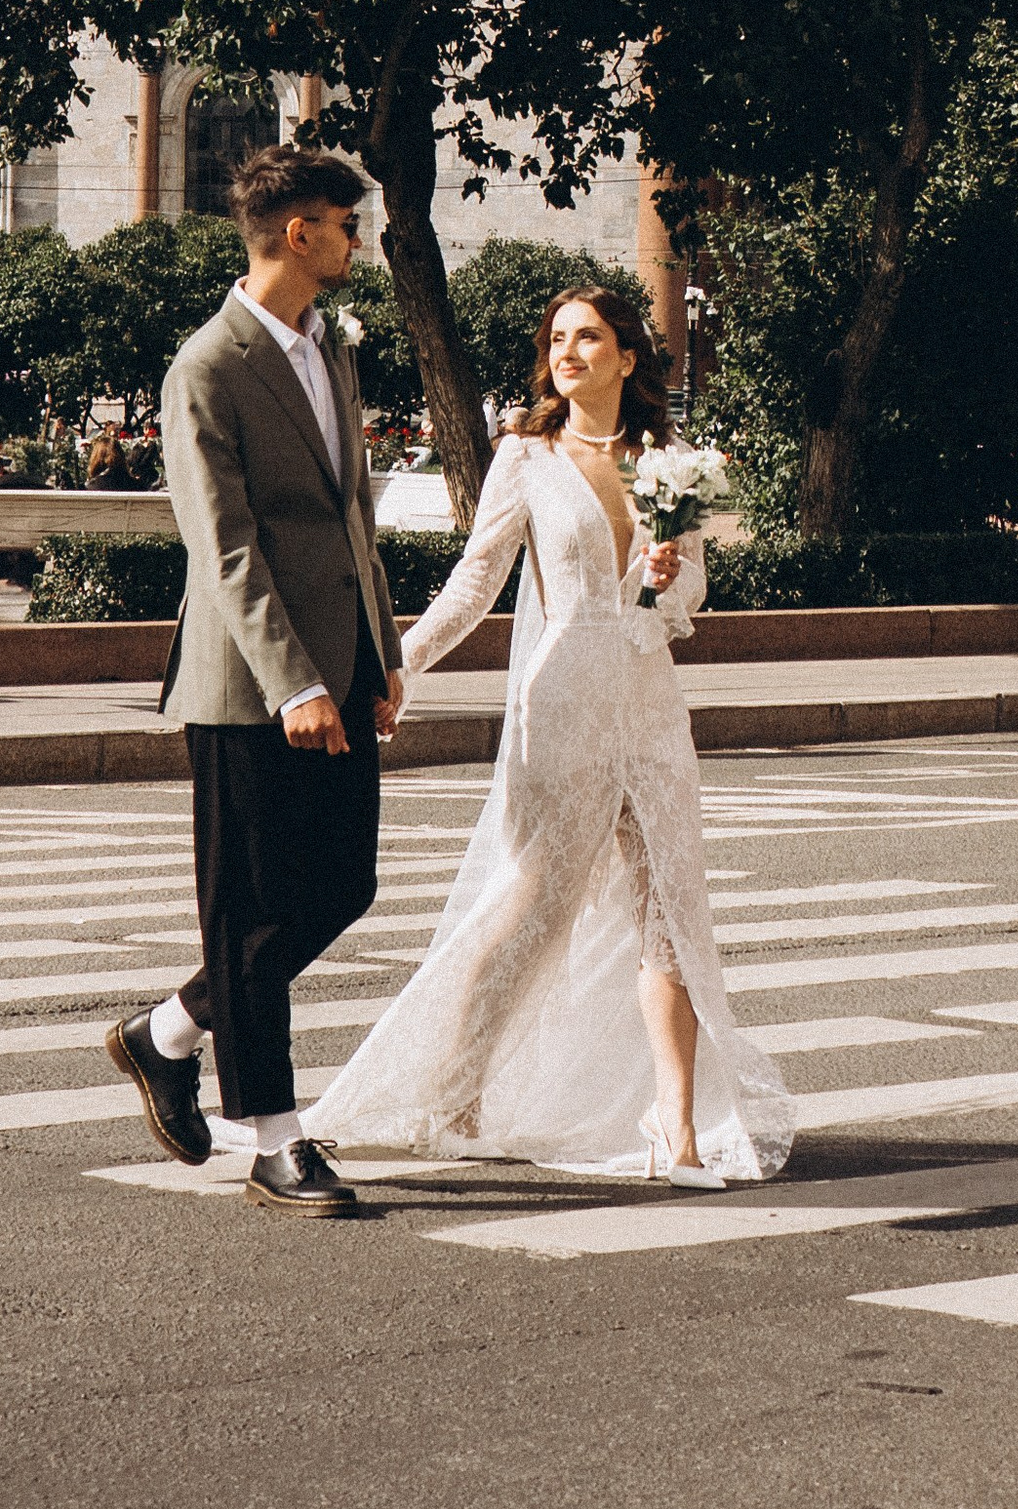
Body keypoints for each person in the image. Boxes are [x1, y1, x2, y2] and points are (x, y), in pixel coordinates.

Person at [307, 287, 792, 1187]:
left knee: (670, 914)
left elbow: (690, 599)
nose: (568, 352)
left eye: (589, 337)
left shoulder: (671, 461)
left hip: (647, 706)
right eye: (558, 339)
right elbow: (473, 583)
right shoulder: (525, 457)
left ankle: (677, 1133)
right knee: (530, 909)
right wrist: (395, 666)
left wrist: (662, 578)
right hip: (561, 706)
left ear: (627, 357)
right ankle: (454, 1099)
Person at [105, 145, 403, 1216]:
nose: (355, 240)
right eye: (343, 222)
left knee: (343, 887)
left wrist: (381, 654)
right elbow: (224, 547)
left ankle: (168, 1031)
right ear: (296, 234)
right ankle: (275, 1140)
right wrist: (292, 683)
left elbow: (351, 515)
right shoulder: (209, 366)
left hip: (340, 663)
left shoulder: (332, 349)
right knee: (248, 909)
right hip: (247, 686)